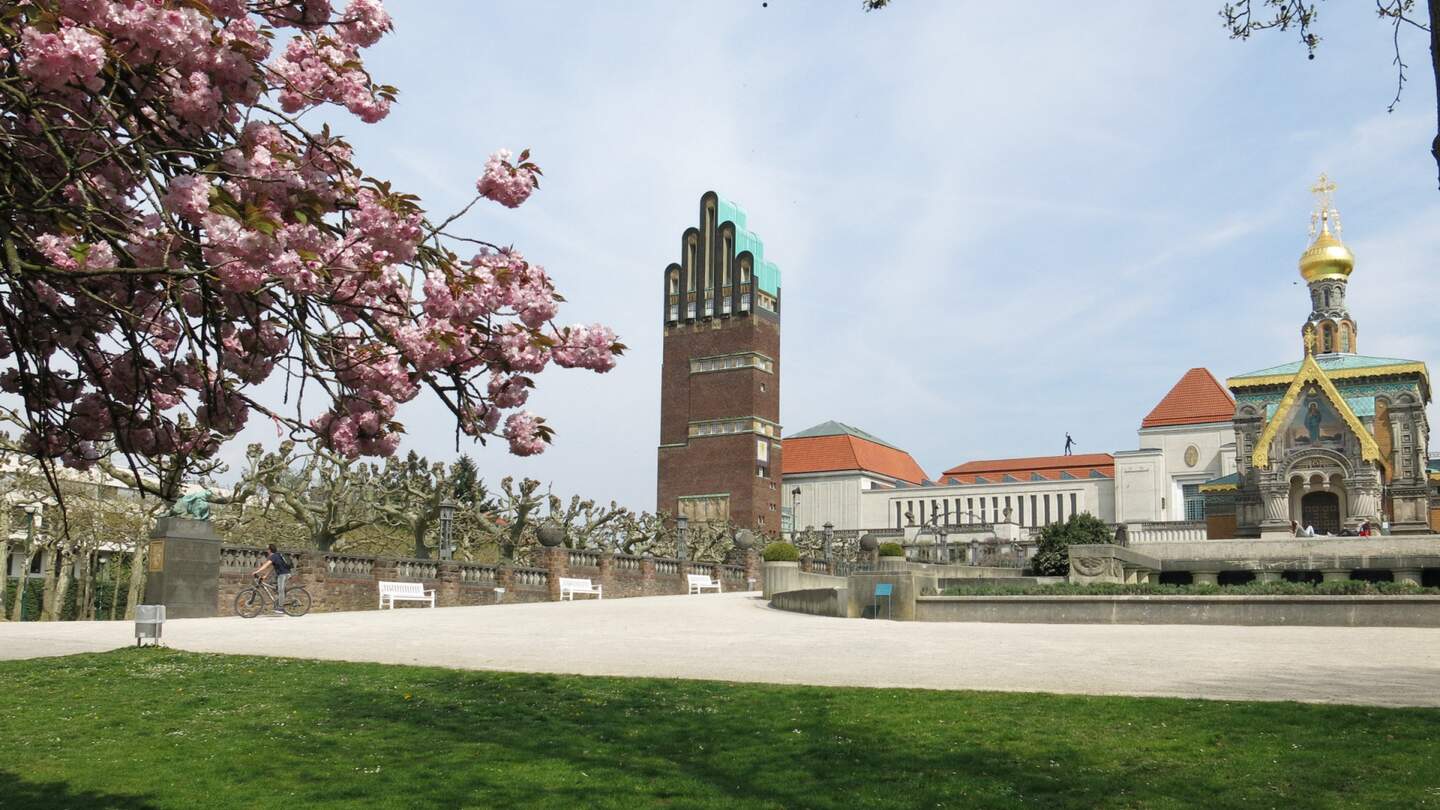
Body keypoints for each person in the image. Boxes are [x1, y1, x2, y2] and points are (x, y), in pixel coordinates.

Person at [252, 543, 292, 615]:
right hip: (282, 574)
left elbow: (266, 565)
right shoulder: (277, 556)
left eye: (267, 549)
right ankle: (278, 601)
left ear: (270, 550)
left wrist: (257, 571)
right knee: (272, 585)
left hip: (283, 575)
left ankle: (281, 607)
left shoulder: (274, 556)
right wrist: (265, 576)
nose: (267, 551)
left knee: (280, 590)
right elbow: (272, 567)